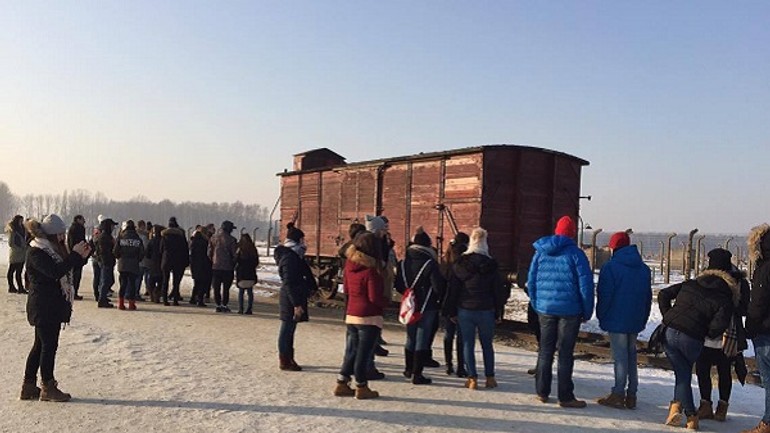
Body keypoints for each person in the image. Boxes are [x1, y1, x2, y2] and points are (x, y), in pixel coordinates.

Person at [658, 248, 737, 430]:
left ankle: (677, 410)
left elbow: (663, 294)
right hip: (692, 338)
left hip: (669, 332)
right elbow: (719, 326)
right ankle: (691, 415)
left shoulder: (691, 284)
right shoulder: (725, 297)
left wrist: (668, 315)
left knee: (682, 374)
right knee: (683, 374)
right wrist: (705, 331)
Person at [20, 214, 91, 402]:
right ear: (50, 234)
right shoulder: (37, 251)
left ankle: (28, 386)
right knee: (48, 346)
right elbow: (55, 272)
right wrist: (74, 255)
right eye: (59, 234)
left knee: (40, 345)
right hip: (43, 306)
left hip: (50, 305)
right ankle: (47, 387)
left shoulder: (51, 249)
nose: (62, 237)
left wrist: (83, 256)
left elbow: (66, 268)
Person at [528, 215, 593, 408]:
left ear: (557, 230)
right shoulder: (576, 254)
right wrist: (586, 311)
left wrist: (537, 303)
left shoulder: (540, 252)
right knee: (565, 353)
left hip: (545, 309)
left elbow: (531, 281)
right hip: (570, 311)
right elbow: (586, 286)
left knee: (545, 350)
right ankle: (565, 397)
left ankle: (541, 392)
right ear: (572, 233)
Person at [445, 228, 507, 390]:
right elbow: (498, 292)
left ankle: (472, 379)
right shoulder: (491, 265)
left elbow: (453, 290)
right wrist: (499, 312)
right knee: (487, 345)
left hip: (465, 309)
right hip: (486, 309)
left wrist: (451, 311)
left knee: (467, 344)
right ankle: (490, 377)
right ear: (485, 243)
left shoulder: (460, 264)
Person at [595, 231, 652, 410]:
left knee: (620, 358)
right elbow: (647, 297)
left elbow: (605, 295)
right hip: (635, 318)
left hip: (616, 317)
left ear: (614, 248)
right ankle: (632, 395)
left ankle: (618, 394)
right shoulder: (643, 268)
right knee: (631, 356)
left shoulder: (610, 267)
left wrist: (601, 315)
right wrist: (643, 317)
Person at [333, 232, 386, 399]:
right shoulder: (371, 271)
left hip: (352, 314)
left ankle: (342, 382)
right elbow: (374, 298)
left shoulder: (349, 267)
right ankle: (362, 387)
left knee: (352, 352)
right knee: (363, 354)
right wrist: (386, 304)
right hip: (368, 316)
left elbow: (347, 291)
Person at [695, 260, 749, 422]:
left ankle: (705, 405)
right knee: (724, 371)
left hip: (707, 332)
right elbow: (745, 308)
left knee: (703, 369)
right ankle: (722, 408)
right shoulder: (741, 282)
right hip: (731, 336)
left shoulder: (706, 280)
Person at [395, 226, 445, 385]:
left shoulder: (403, 263)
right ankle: (417, 374)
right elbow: (438, 286)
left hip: (409, 305)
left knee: (410, 337)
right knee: (422, 338)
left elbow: (398, 285)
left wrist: (409, 294)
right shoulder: (430, 263)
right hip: (427, 305)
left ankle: (408, 369)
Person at [274, 224, 317, 371]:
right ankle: (285, 360)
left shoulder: (294, 255)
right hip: (290, 299)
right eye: (302, 239)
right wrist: (297, 304)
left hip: (293, 296)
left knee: (289, 329)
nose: (304, 243)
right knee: (287, 329)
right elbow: (289, 283)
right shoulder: (290, 257)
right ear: (298, 240)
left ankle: (288, 358)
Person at [744, 224, 770, 433]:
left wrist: (750, 327)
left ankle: (768, 423)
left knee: (769, 379)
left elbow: (758, 302)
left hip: (765, 330)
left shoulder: (765, 267)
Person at [439, 231, 469, 377]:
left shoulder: (445, 263)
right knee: (461, 336)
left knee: (448, 335)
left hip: (446, 303)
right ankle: (461, 367)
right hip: (461, 303)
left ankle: (448, 365)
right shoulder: (463, 264)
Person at [113, 220, 145, 311]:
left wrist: (120, 257)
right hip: (133, 264)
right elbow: (142, 252)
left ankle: (121, 304)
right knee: (132, 284)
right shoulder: (137, 239)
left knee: (123, 284)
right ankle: (131, 304)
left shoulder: (121, 237)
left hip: (122, 264)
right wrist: (137, 259)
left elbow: (115, 251)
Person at [209, 220, 237, 312]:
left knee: (216, 287)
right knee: (226, 288)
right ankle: (224, 304)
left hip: (215, 266)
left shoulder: (213, 238)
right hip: (228, 268)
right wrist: (233, 263)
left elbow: (209, 252)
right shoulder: (232, 240)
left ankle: (218, 304)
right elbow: (234, 254)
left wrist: (212, 260)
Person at [160, 217, 189, 306]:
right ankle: (175, 300)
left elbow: (161, 249)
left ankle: (165, 299)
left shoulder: (164, 236)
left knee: (165, 280)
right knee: (176, 282)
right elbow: (185, 249)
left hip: (167, 259)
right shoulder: (181, 237)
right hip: (178, 260)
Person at [95, 218, 117, 308]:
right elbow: (104, 251)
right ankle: (102, 299)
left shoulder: (107, 236)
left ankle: (103, 297)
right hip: (106, 262)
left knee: (108, 280)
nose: (113, 228)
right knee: (105, 281)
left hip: (107, 261)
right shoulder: (104, 237)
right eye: (112, 226)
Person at [235, 233, 259, 315]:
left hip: (241, 272)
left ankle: (240, 308)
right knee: (250, 292)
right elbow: (256, 261)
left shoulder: (239, 249)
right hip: (251, 272)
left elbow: (236, 260)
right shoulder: (253, 249)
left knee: (241, 292)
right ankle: (249, 309)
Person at [189, 225, 213, 307]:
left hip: (194, 264)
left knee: (197, 282)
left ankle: (193, 298)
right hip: (203, 264)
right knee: (202, 283)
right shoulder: (205, 242)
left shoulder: (193, 241)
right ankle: (200, 299)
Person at [66, 215, 87, 301]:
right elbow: (80, 240)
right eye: (83, 219)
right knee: (76, 275)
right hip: (78, 253)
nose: (84, 221)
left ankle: (74, 292)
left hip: (74, 252)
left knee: (74, 274)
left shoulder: (72, 228)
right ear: (78, 220)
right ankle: (74, 292)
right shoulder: (79, 228)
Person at [6, 215, 28, 294]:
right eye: (20, 220)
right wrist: (19, 248)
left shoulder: (23, 229)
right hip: (15, 254)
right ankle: (12, 286)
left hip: (22, 253)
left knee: (19, 271)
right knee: (11, 271)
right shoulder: (13, 230)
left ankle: (20, 287)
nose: (22, 222)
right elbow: (11, 243)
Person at [144, 225, 164, 303]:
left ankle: (152, 295)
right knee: (160, 281)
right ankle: (157, 294)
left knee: (151, 281)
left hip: (152, 263)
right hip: (161, 262)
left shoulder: (151, 241)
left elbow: (147, 253)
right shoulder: (163, 240)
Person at [135, 220, 150, 301]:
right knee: (140, 277)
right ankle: (137, 293)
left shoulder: (135, 235)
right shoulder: (144, 236)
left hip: (136, 260)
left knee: (137, 277)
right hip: (143, 260)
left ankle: (135, 292)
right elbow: (145, 247)